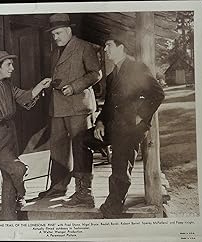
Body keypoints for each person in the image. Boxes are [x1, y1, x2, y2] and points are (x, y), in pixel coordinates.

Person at [66, 33, 165, 215]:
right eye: (105, 46)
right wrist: (100, 123)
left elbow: (157, 94)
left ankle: (114, 206)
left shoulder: (137, 69)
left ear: (121, 48)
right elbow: (109, 106)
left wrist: (140, 116)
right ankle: (84, 192)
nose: (105, 50)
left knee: (120, 166)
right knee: (80, 140)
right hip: (113, 126)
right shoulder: (112, 76)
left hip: (130, 129)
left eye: (109, 45)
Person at [0, 50, 51, 220]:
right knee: (18, 168)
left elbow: (24, 96)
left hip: (10, 134)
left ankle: (9, 220)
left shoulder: (7, 85)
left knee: (8, 178)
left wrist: (40, 86)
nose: (12, 68)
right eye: (8, 65)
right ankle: (22, 196)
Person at [38, 13, 102, 209]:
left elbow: (95, 74)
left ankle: (84, 192)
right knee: (58, 146)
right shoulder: (55, 51)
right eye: (53, 34)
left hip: (78, 106)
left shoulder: (84, 47)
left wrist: (74, 86)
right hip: (58, 107)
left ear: (68, 31)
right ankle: (58, 186)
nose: (55, 37)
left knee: (80, 147)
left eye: (58, 33)